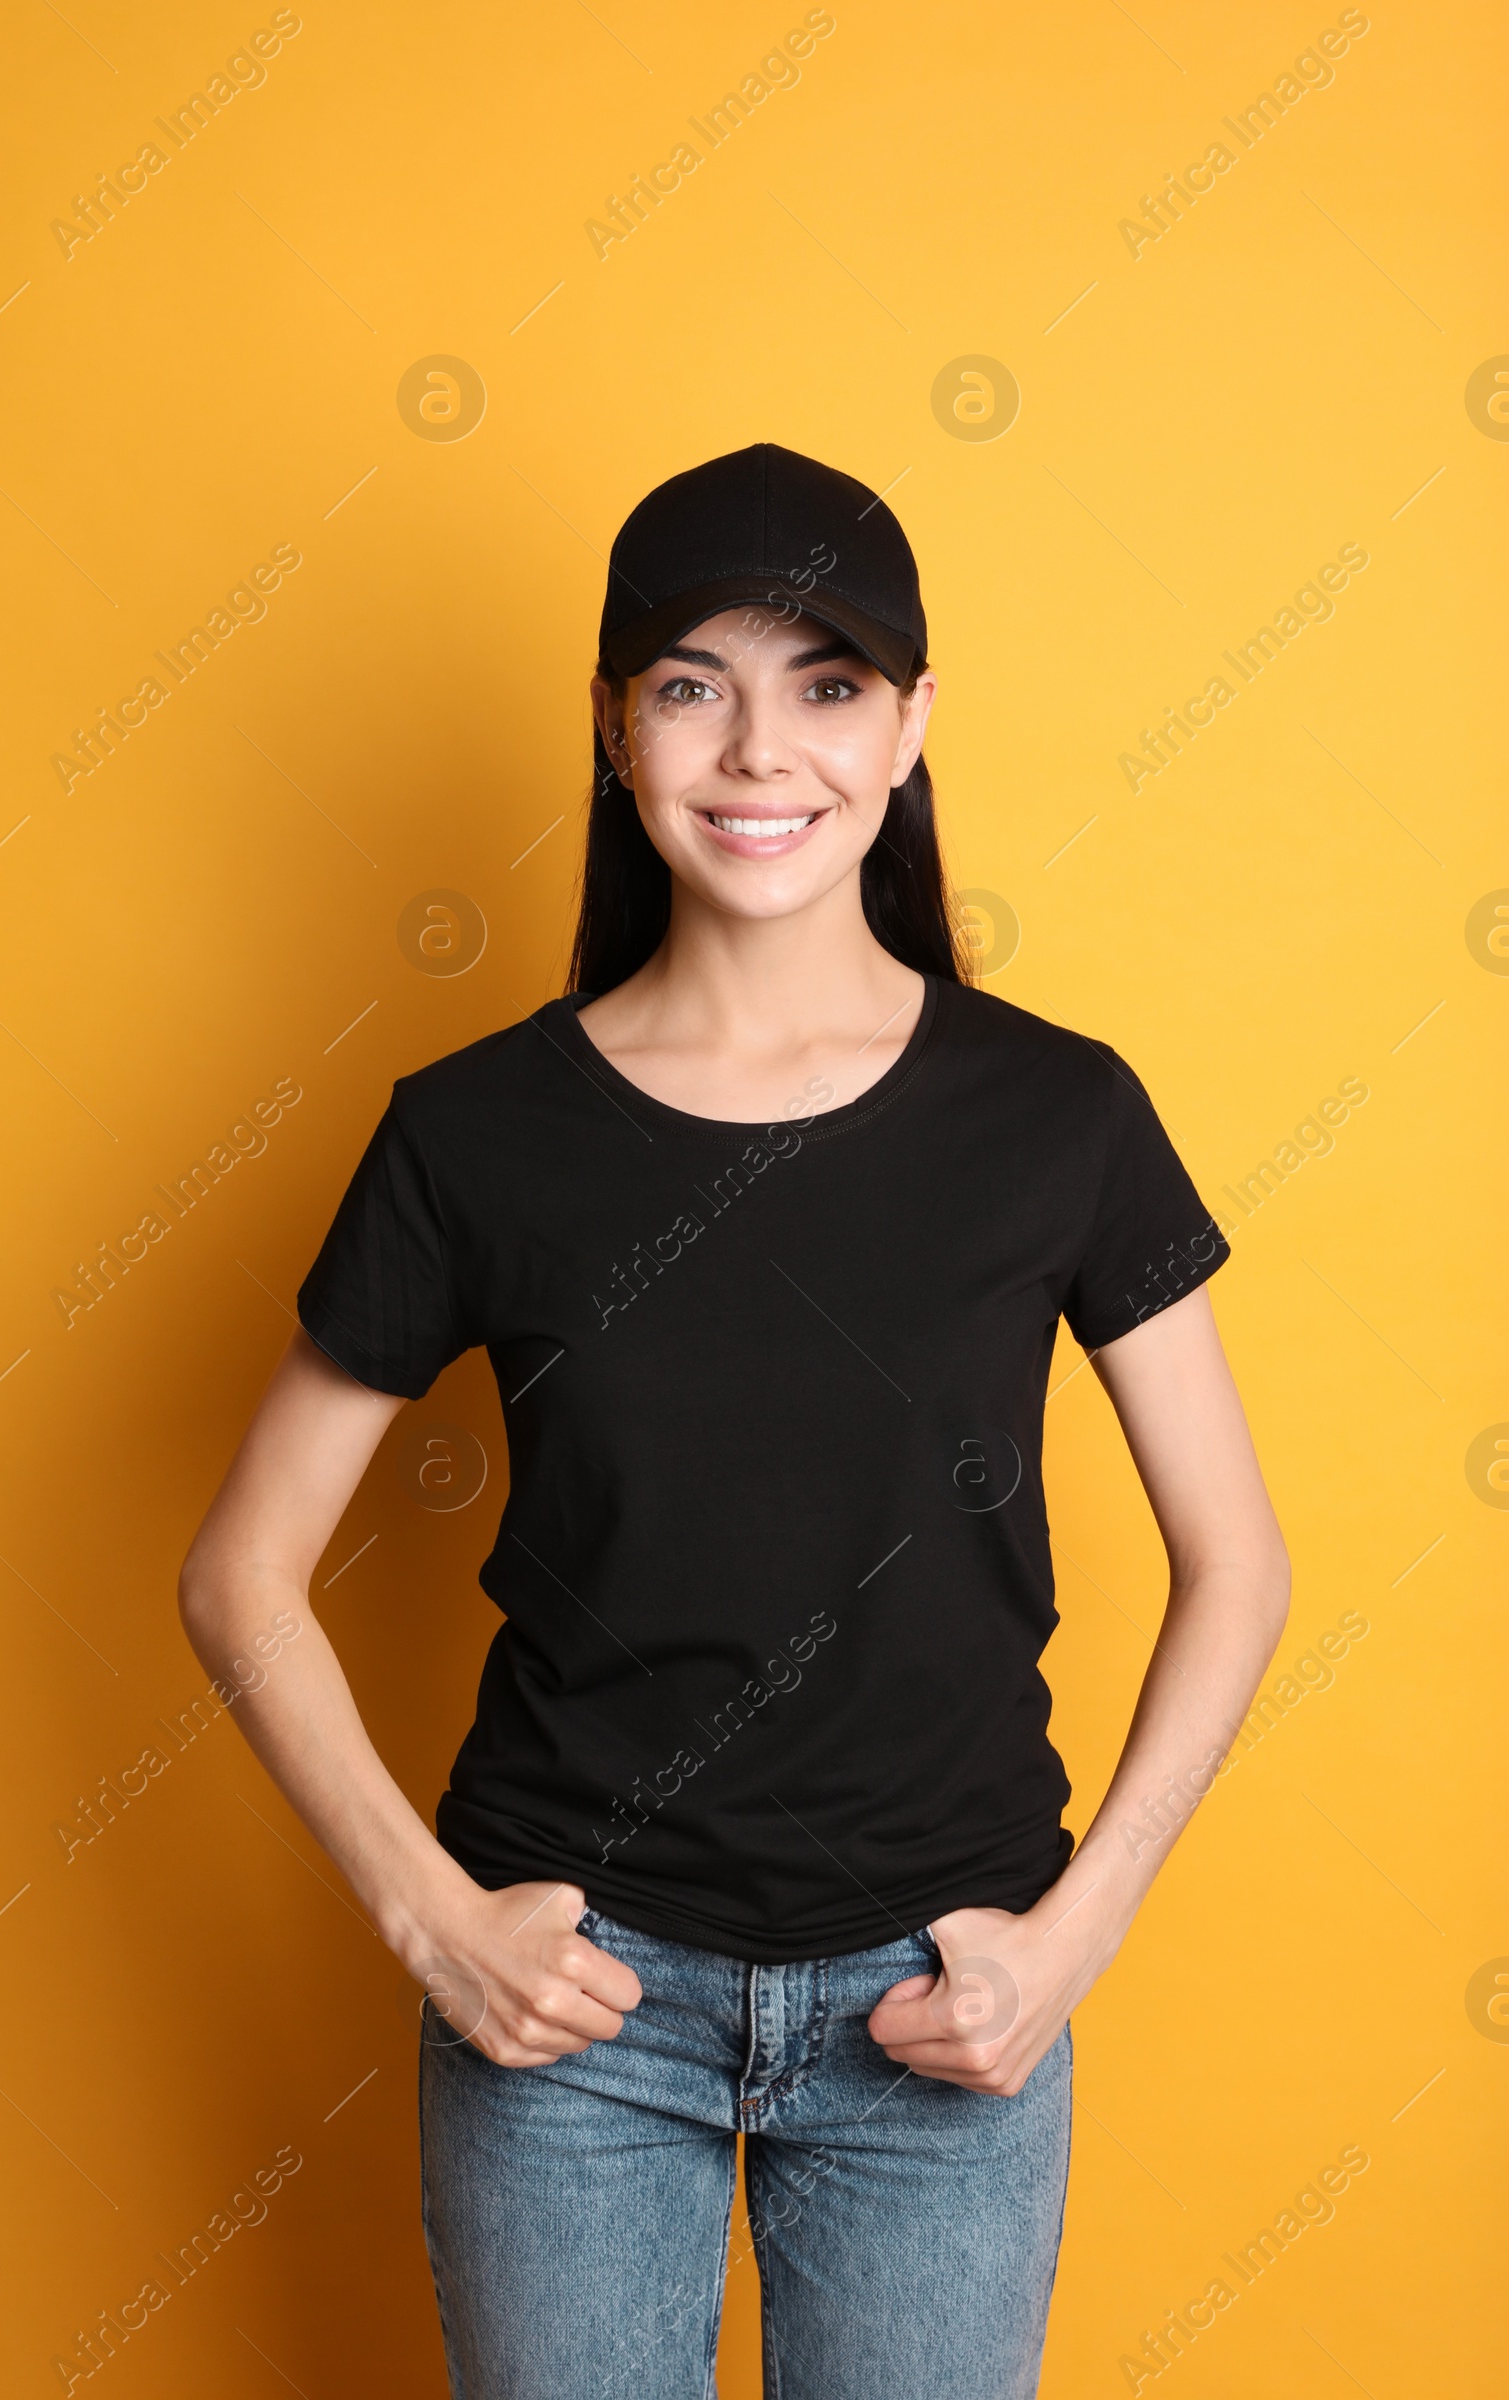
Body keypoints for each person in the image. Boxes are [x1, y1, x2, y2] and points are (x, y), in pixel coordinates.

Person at [179, 442, 1291, 2399]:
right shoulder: (476, 1134)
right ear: (614, 727)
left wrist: (1070, 1936)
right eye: (691, 682)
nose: (756, 750)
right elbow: (241, 1572)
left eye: (826, 683)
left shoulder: (1054, 1116)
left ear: (911, 724)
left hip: (940, 2017)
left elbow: (1238, 1565)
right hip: (573, 2024)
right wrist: (434, 1924)